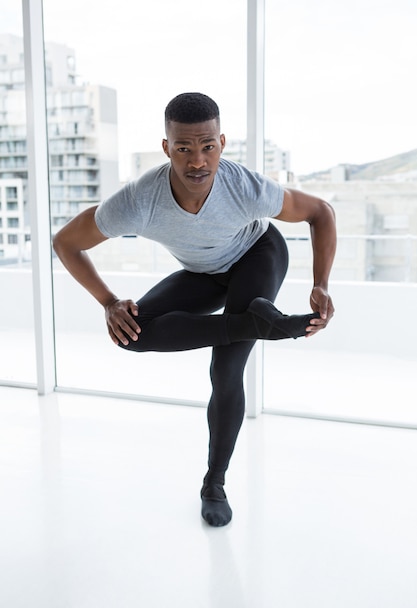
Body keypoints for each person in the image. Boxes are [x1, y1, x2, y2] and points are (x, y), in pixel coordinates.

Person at [53, 92, 336, 527]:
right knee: (133, 333)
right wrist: (109, 302)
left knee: (225, 371)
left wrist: (320, 283)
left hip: (255, 256)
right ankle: (254, 323)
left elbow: (320, 212)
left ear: (222, 143)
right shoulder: (138, 201)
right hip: (203, 271)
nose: (197, 161)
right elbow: (66, 243)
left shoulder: (244, 187)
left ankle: (214, 483)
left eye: (207, 147)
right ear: (166, 147)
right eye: (184, 148)